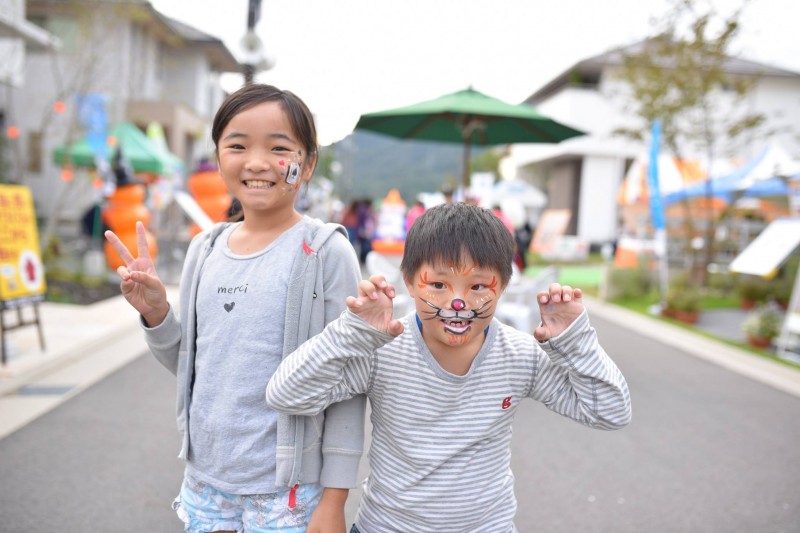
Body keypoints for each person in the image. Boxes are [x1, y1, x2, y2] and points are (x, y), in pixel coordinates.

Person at [267, 202, 632, 532]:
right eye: (439, 284)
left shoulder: (520, 355)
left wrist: (576, 341)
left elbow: (610, 412)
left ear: (502, 286)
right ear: (409, 281)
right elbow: (286, 395)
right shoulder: (383, 352)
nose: (458, 303)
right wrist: (352, 332)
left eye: (477, 286)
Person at [105, 83, 365, 533]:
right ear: (219, 157)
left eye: (279, 147)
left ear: (307, 164)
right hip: (206, 484)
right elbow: (192, 365)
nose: (258, 162)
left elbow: (349, 381)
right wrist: (157, 315)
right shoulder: (203, 250)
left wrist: (335, 499)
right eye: (238, 145)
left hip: (288, 493)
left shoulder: (325, 252)